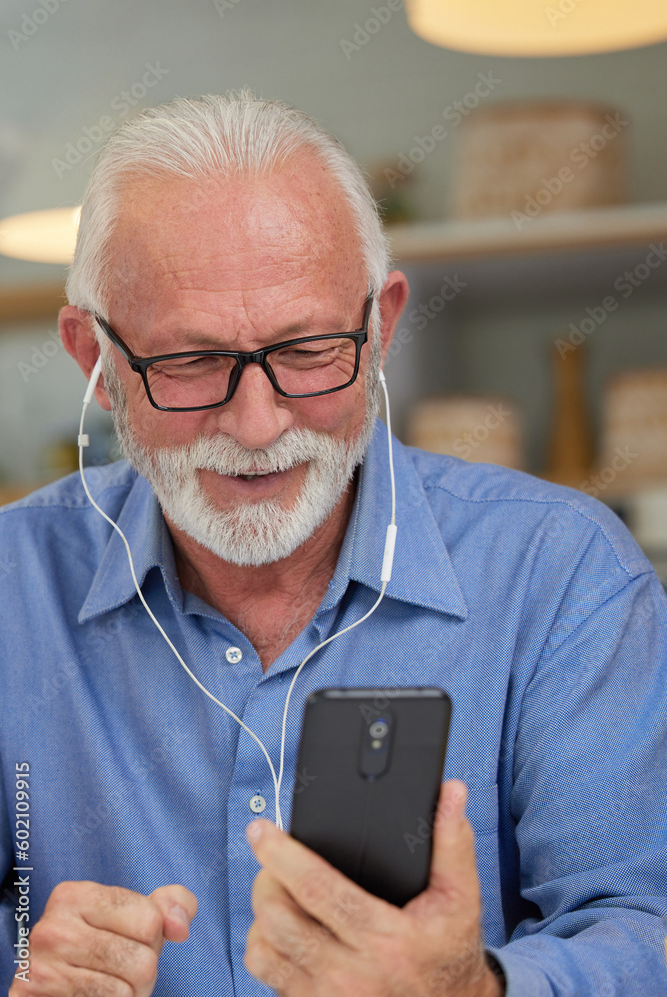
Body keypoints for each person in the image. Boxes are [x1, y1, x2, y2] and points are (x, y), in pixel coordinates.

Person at [1, 91, 666, 997]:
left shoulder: (562, 574)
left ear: (382, 325)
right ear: (97, 362)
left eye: (309, 349)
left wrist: (473, 990)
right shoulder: (10, 588)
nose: (256, 422)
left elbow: (642, 926)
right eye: (191, 362)